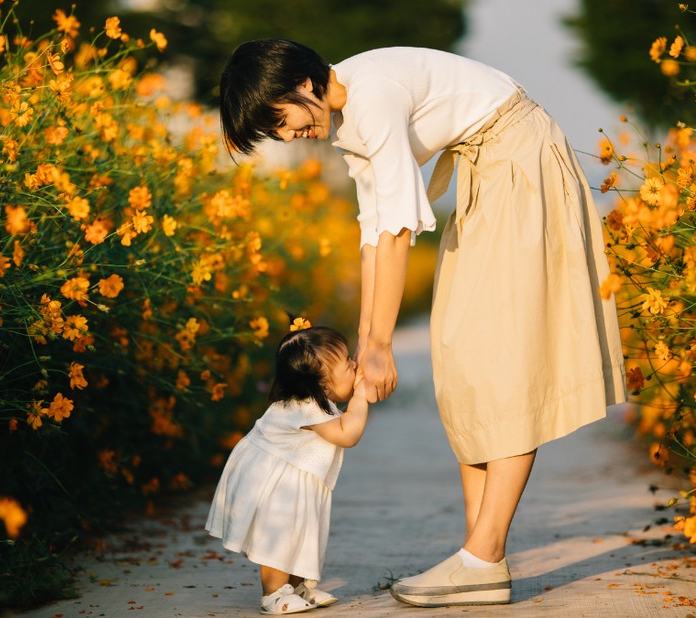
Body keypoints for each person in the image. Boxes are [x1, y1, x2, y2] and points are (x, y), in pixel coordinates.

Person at [218, 40, 626, 607]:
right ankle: (477, 557)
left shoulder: (372, 96)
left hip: (518, 157)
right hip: (488, 167)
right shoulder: (349, 123)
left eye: (279, 122)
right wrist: (366, 342)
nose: (287, 137)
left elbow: (397, 231)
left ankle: (483, 558)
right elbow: (372, 232)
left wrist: (382, 343)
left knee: (502, 358)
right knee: (459, 351)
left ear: (303, 87)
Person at [205, 326, 370, 615]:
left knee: (302, 534)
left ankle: (296, 587)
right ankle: (272, 594)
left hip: (295, 476)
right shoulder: (304, 407)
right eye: (347, 363)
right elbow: (348, 434)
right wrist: (362, 396)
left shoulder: (313, 401)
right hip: (275, 480)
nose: (354, 366)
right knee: (280, 536)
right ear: (322, 383)